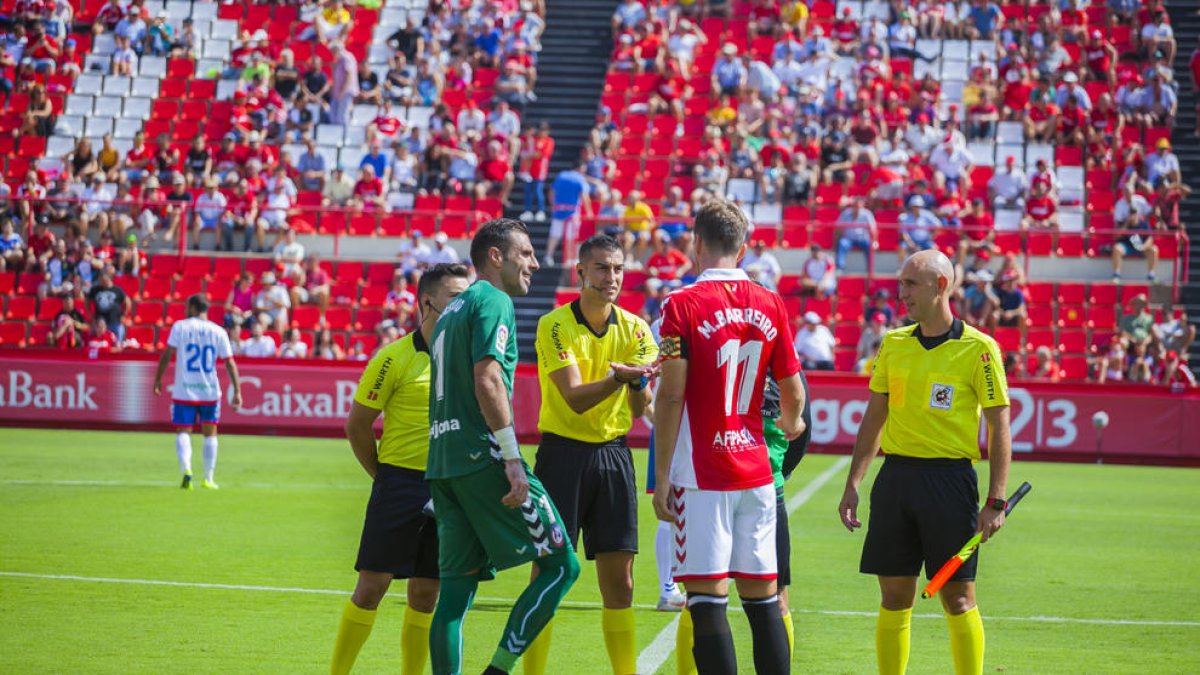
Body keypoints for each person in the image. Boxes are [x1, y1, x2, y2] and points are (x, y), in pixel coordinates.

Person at [837, 249, 1012, 675]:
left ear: (940, 286)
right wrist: (853, 483)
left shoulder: (980, 349)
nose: (901, 294)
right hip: (896, 479)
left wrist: (996, 500)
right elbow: (874, 418)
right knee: (894, 596)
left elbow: (999, 427)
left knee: (959, 598)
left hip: (950, 483)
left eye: (910, 284)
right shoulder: (894, 345)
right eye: (901, 284)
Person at [653, 199, 806, 675]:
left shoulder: (680, 304)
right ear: (743, 249)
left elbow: (672, 396)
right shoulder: (770, 301)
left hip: (703, 474)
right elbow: (793, 393)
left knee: (705, 599)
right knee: (763, 602)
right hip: (757, 472)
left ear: (696, 243)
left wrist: (661, 479)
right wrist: (792, 423)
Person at [425, 218, 578, 675]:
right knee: (561, 566)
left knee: (453, 594)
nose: (534, 262)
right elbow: (487, 379)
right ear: (497, 256)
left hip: (444, 464)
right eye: (526, 253)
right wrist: (512, 456)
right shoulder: (493, 300)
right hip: (483, 457)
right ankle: (497, 671)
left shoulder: (450, 311)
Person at [523, 235, 658, 675]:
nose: (611, 277)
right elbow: (576, 398)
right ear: (580, 272)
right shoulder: (554, 324)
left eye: (617, 269)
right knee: (549, 575)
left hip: (615, 456)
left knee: (620, 582)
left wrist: (639, 385)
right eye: (601, 268)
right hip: (561, 456)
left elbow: (641, 411)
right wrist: (623, 378)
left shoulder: (637, 329)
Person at [330, 263, 471, 675]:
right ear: (428, 302)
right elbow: (357, 425)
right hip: (400, 483)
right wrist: (383, 476)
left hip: (448, 488)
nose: (464, 305)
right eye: (455, 297)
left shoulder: (470, 358)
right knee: (371, 588)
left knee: (427, 593)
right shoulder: (393, 358)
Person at [153, 295, 244, 490]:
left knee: (183, 431)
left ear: (193, 307)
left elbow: (168, 353)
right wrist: (237, 390)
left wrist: (158, 378)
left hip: (184, 389)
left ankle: (187, 469)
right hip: (209, 390)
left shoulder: (180, 327)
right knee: (210, 433)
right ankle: (208, 478)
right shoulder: (218, 331)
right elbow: (229, 361)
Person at [543, 160, 591, 267]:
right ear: (580, 168)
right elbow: (584, 196)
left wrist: (553, 206)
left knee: (554, 234)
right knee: (571, 236)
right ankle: (569, 259)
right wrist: (589, 212)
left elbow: (551, 192)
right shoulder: (580, 178)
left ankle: (548, 256)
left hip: (558, 210)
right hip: (572, 212)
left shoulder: (561, 176)